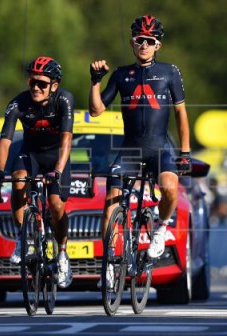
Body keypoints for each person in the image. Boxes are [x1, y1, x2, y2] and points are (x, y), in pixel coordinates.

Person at [88, 15, 191, 288]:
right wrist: (95, 81)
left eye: (149, 41)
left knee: (170, 187)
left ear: (157, 45)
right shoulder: (121, 74)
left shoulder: (170, 72)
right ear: (132, 43)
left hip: (159, 147)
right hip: (131, 150)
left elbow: (181, 113)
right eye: (138, 40)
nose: (143, 45)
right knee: (110, 202)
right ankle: (109, 264)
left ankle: (161, 228)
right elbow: (96, 110)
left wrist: (186, 151)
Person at [0, 56, 74, 289]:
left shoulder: (64, 100)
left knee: (56, 205)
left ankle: (63, 254)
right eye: (32, 82)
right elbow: (5, 140)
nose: (36, 88)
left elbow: (67, 137)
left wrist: (58, 170)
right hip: (31, 154)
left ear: (54, 86)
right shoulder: (18, 103)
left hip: (57, 155)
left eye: (42, 84)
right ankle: (22, 237)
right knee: (18, 181)